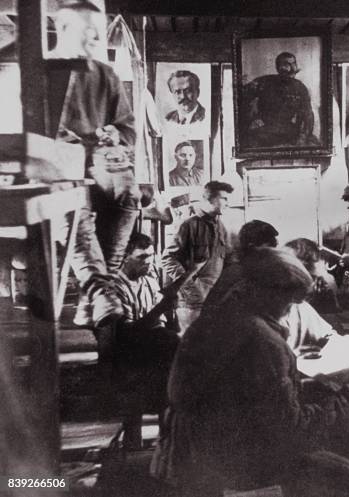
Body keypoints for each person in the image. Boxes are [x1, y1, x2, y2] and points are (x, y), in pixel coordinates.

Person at [152, 249, 349, 497]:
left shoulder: (210, 321)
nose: (289, 313)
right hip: (235, 463)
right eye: (289, 303)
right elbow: (289, 428)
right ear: (270, 295)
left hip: (183, 454)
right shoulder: (262, 339)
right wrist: (340, 400)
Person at [51, 0, 140, 328]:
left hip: (102, 160)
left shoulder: (106, 74)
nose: (93, 39)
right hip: (61, 163)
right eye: (85, 32)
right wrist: (73, 143)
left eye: (97, 34)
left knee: (129, 196)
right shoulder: (44, 72)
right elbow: (34, 132)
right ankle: (102, 293)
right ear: (62, 29)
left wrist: (115, 131)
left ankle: (98, 292)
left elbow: (128, 126)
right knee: (75, 208)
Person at [109, 233, 180, 448]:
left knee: (171, 383)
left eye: (150, 256)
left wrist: (171, 313)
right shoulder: (115, 287)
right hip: (127, 354)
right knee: (134, 407)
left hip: (152, 349)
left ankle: (166, 445)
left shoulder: (149, 280)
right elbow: (127, 334)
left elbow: (162, 322)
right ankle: (133, 448)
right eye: (141, 257)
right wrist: (161, 308)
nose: (148, 261)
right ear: (125, 257)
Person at [161, 181, 234, 333]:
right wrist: (189, 287)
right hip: (192, 302)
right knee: (191, 345)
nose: (228, 203)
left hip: (214, 300)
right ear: (209, 199)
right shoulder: (188, 225)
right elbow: (167, 259)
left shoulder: (222, 227)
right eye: (224, 198)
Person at [241, 52, 319, 148]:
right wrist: (252, 119)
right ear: (278, 67)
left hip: (289, 131)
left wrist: (303, 137)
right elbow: (241, 99)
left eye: (294, 63)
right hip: (264, 130)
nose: (292, 68)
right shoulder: (264, 82)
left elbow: (308, 115)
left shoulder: (300, 87)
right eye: (286, 64)